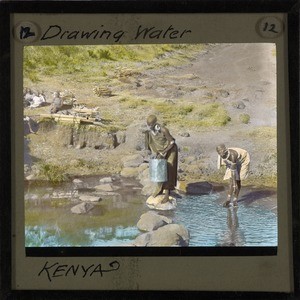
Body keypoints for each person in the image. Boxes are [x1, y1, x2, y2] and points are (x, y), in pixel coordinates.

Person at [145, 115, 178, 203]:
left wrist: (164, 151)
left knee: (168, 169)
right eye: (148, 125)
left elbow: (171, 142)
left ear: (155, 123)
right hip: (161, 151)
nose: (150, 127)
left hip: (171, 150)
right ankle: (159, 189)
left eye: (151, 125)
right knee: (159, 169)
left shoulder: (163, 130)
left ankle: (167, 194)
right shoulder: (150, 132)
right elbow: (152, 143)